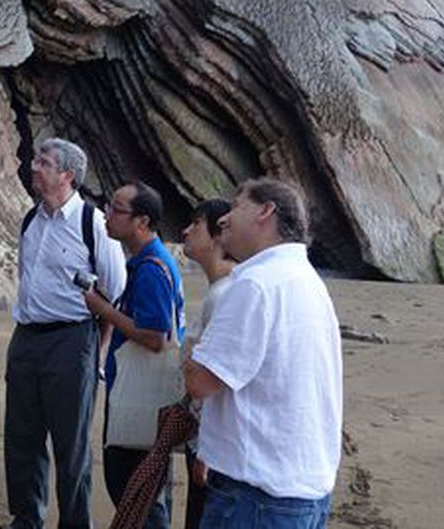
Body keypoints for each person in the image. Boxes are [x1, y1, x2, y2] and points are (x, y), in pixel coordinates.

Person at [183, 179, 342, 529]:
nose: (224, 219)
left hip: (256, 497)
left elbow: (201, 381)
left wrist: (191, 346)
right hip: (300, 489)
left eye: (237, 206)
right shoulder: (307, 280)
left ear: (266, 211)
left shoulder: (256, 284)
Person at [4, 138, 127, 529]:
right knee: (21, 437)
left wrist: (101, 350)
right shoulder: (30, 220)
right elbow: (27, 278)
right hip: (26, 337)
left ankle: (75, 524)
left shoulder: (92, 224)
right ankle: (27, 520)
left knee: (70, 446)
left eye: (44, 162)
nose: (34, 165)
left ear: (67, 175)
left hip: (72, 341)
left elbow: (116, 290)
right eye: (36, 159)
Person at [81, 181, 184, 529]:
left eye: (116, 209)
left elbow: (155, 337)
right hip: (143, 394)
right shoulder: (148, 262)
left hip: (140, 396)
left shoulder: (152, 269)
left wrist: (103, 309)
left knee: (134, 486)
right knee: (142, 486)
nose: (107, 214)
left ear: (141, 221)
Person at [178, 198, 236, 529]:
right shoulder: (219, 291)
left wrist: (206, 449)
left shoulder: (225, 295)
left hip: (210, 444)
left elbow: (214, 381)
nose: (186, 230)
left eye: (196, 224)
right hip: (205, 439)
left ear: (218, 235)